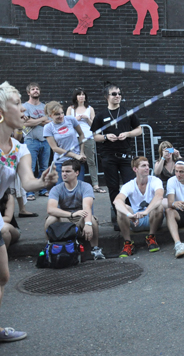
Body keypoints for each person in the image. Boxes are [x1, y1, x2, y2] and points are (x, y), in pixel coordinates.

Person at [0, 81, 57, 342]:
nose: (24, 111)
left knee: (2, 276)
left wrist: (44, 182)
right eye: (17, 105)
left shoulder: (18, 148)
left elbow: (28, 182)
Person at [91, 84, 142, 225]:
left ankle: (132, 213)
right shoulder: (101, 115)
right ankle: (119, 215)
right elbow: (95, 136)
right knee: (113, 187)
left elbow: (139, 130)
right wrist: (106, 137)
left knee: (130, 184)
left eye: (119, 93)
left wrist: (128, 133)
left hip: (125, 155)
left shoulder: (127, 112)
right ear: (107, 96)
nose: (117, 96)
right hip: (108, 156)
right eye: (114, 94)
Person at [45, 159, 104, 260]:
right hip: (65, 218)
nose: (64, 174)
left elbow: (87, 207)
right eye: (62, 171)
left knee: (92, 220)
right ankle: (49, 246)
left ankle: (95, 249)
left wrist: (88, 224)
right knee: (51, 219)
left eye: (68, 171)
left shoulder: (85, 186)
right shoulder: (56, 189)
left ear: (77, 173)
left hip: (80, 217)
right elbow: (51, 209)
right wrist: (71, 215)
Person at [114, 155, 164, 257]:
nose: (147, 168)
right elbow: (117, 201)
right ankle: (128, 243)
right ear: (135, 169)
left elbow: (159, 196)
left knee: (159, 206)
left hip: (152, 218)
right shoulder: (129, 185)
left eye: (148, 165)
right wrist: (129, 214)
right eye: (143, 166)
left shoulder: (155, 180)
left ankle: (151, 237)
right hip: (135, 220)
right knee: (121, 209)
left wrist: (146, 211)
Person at [66, 87, 104, 193]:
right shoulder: (71, 109)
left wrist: (87, 119)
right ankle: (74, 184)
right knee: (75, 161)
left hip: (88, 136)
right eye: (79, 94)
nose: (81, 96)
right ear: (76, 97)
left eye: (83, 94)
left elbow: (95, 126)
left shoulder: (90, 109)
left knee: (91, 161)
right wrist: (75, 120)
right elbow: (67, 125)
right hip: (75, 138)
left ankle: (95, 185)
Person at [42, 101, 86, 183]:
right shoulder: (48, 127)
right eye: (57, 114)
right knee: (62, 191)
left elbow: (81, 134)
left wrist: (82, 152)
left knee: (79, 189)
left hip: (76, 161)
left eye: (62, 113)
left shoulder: (71, 119)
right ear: (50, 115)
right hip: (61, 163)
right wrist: (74, 155)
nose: (61, 116)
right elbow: (55, 148)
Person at [21, 82, 51, 200]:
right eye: (33, 89)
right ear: (28, 92)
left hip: (45, 140)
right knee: (31, 168)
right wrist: (43, 119)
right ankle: (30, 192)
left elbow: (50, 122)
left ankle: (43, 190)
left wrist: (34, 120)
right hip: (31, 141)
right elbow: (25, 123)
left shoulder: (45, 107)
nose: (35, 91)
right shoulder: (24, 107)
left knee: (44, 168)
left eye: (37, 89)